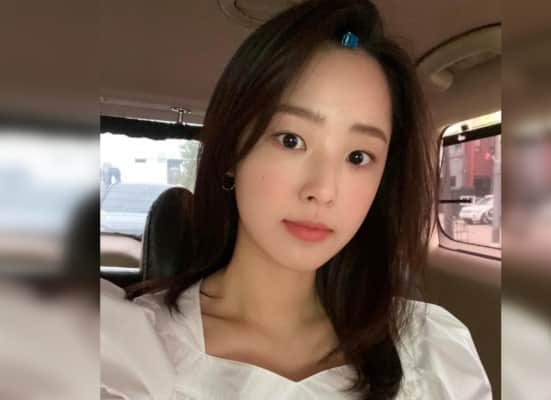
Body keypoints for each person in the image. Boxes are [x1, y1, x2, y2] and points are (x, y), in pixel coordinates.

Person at [100, 0, 492, 399]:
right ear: (232, 149)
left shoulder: (432, 354)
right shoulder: (123, 351)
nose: (323, 190)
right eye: (291, 140)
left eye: (358, 157)